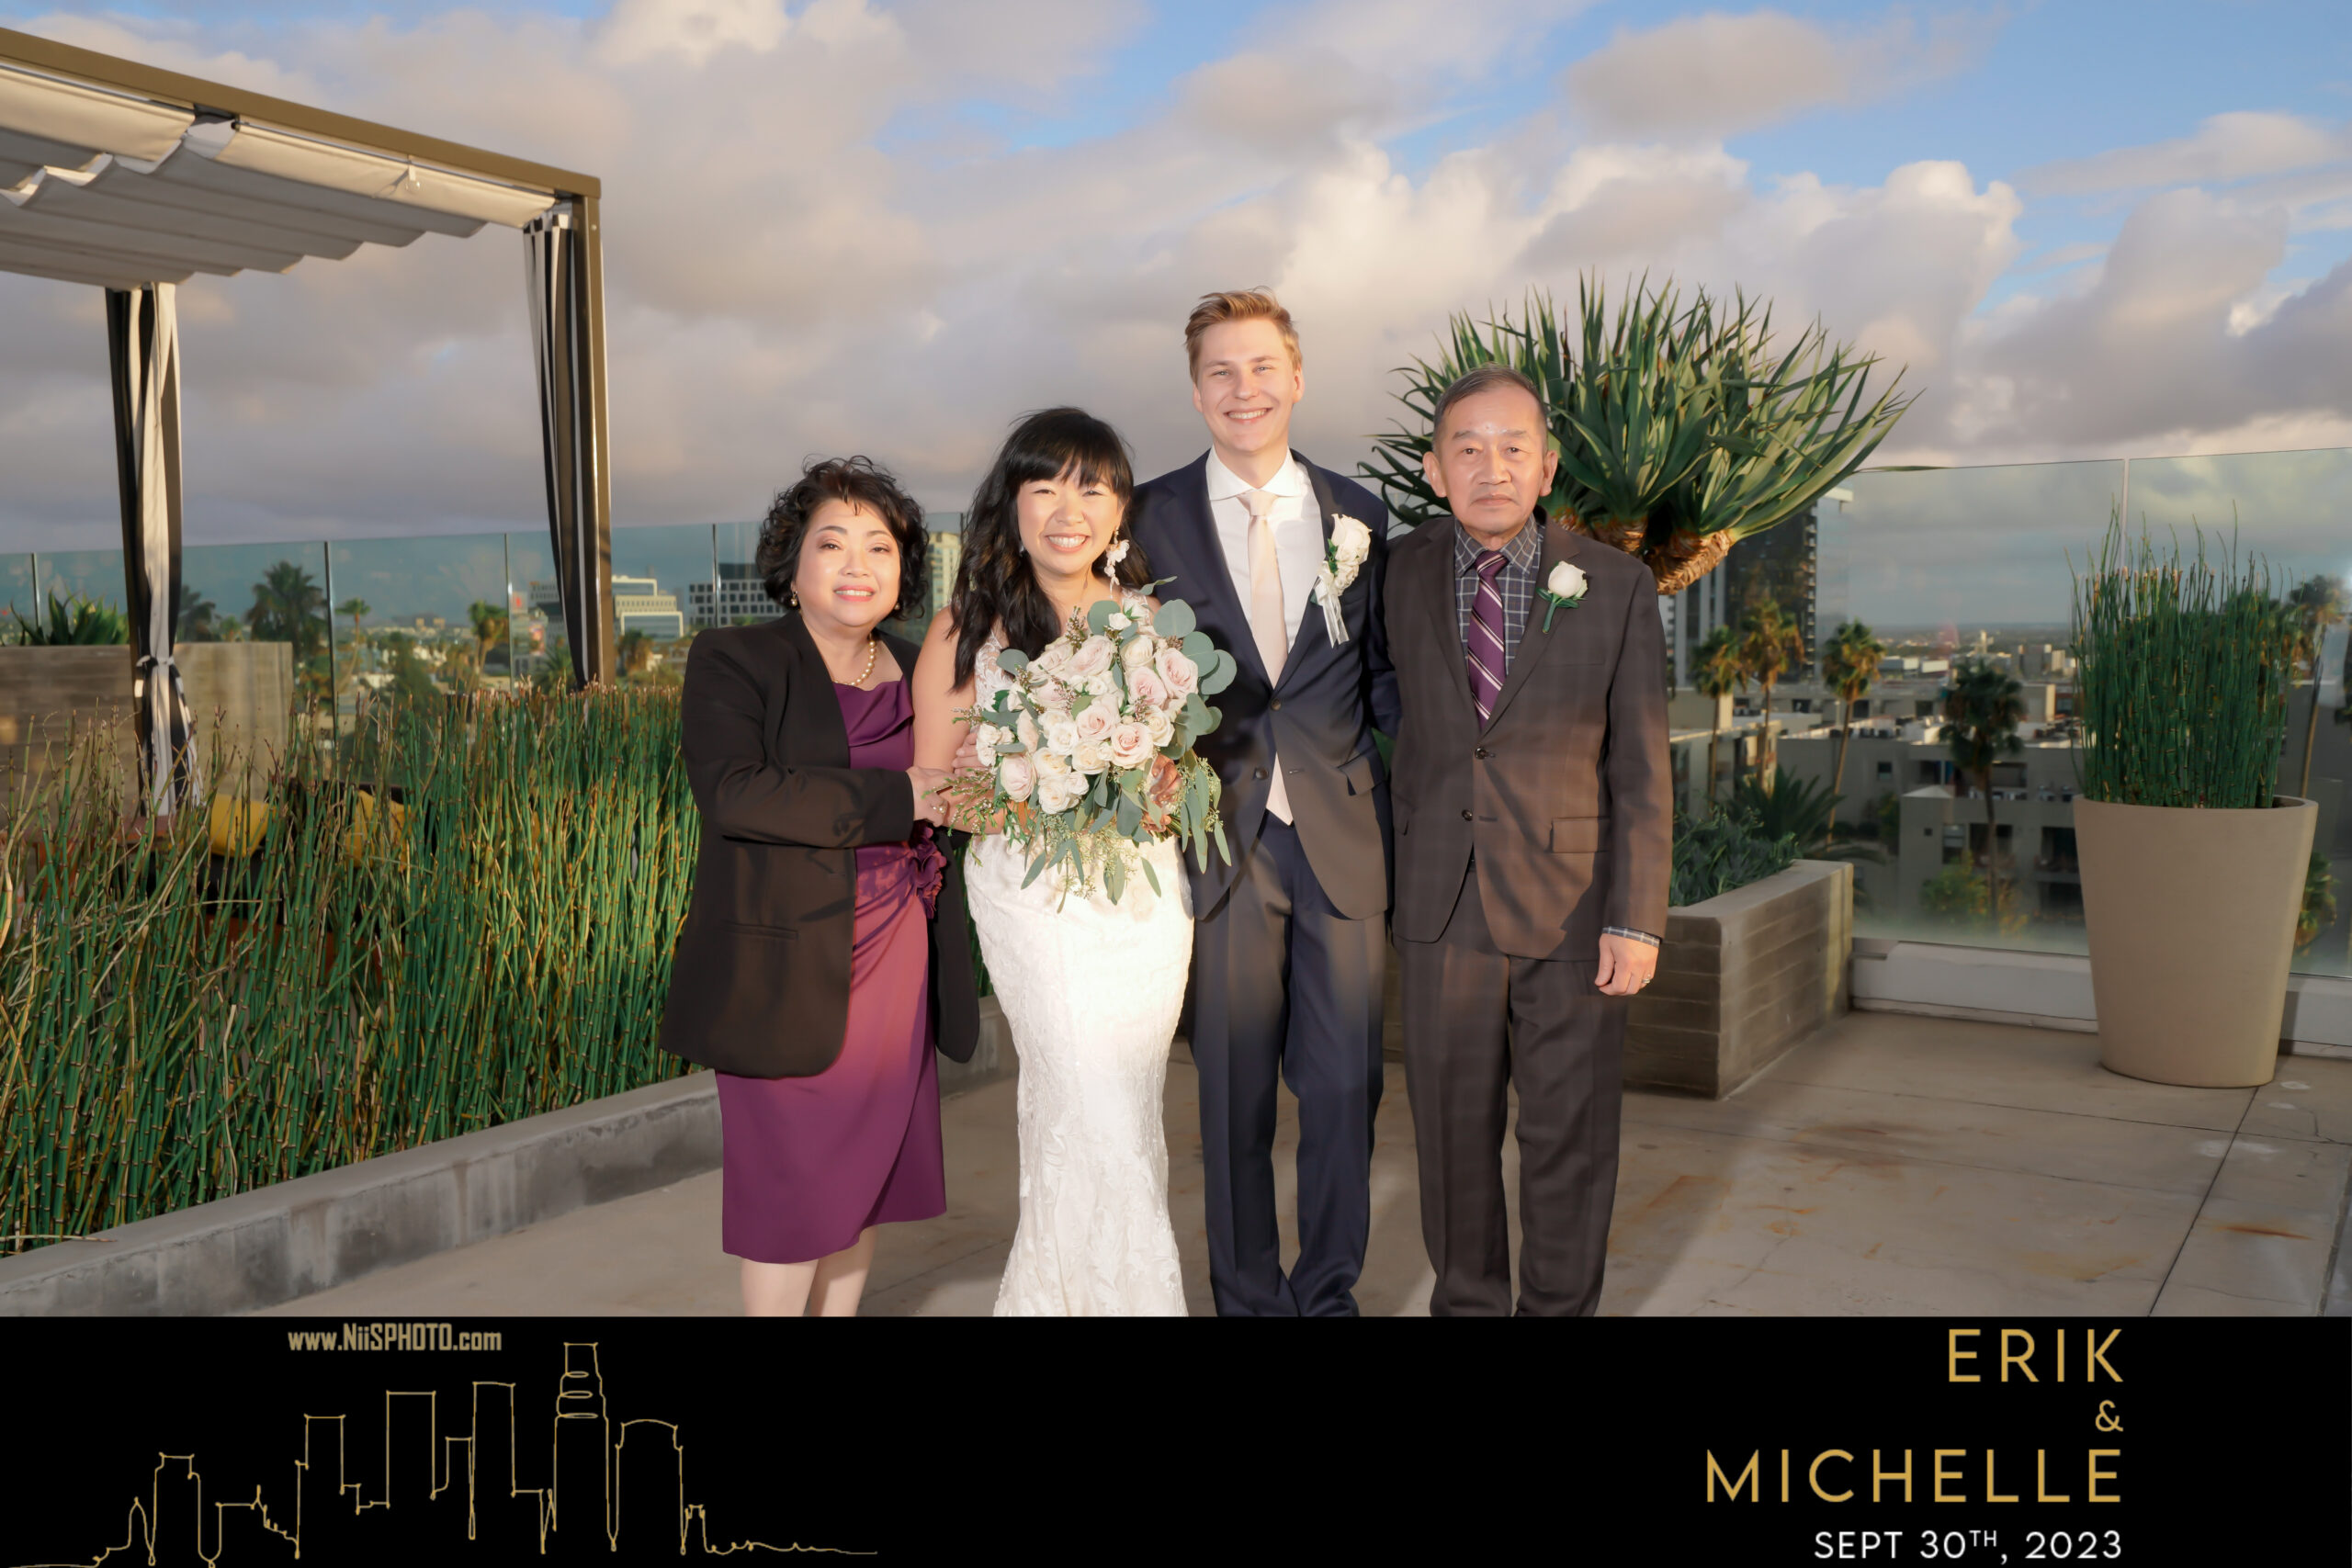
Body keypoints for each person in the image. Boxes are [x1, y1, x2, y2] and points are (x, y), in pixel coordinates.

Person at [1127, 289, 1403, 1316]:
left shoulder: (1359, 512)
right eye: (1221, 372)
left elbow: (1379, 673)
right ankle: (1245, 1301)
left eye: (1261, 368)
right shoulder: (1145, 518)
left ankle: (1327, 1296)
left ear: (1296, 378)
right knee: (1231, 1096)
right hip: (1217, 840)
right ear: (1196, 391)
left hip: (1343, 838)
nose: (1243, 390)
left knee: (1345, 1091)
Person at [1382, 364, 1670, 1317]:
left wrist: (1636, 918)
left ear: (1546, 468)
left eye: (1513, 448)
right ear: (1434, 469)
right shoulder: (1396, 573)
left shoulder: (1616, 584)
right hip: (1441, 906)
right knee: (1450, 1140)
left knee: (1568, 1142)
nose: (1491, 467)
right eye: (1467, 448)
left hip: (1575, 909)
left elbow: (1642, 764)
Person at [658, 456, 977, 1317]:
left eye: (880, 547)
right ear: (791, 565)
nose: (856, 565)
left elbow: (961, 783)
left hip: (897, 953)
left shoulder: (922, 665)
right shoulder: (735, 658)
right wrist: (901, 795)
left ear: (904, 571)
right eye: (832, 544)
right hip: (782, 968)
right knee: (791, 1196)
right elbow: (736, 793)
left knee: (863, 1181)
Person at [911, 407, 1193, 1315]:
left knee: (1123, 1112)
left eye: (1092, 488)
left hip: (1142, 903)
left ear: (1119, 511)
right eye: (1045, 487)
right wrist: (1040, 786)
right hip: (1033, 901)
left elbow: (1177, 768)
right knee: (1090, 1103)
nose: (1069, 511)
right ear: (1012, 503)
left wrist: (1156, 786)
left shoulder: (1152, 624)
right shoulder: (966, 629)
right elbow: (932, 788)